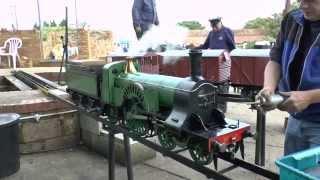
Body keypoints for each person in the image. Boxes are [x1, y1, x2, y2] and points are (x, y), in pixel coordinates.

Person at [257, 0, 320, 155]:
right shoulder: (291, 20)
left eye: (312, 1)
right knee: (291, 172)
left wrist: (310, 97)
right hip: (295, 119)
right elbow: (275, 59)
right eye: (301, 0)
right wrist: (269, 87)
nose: (304, 5)